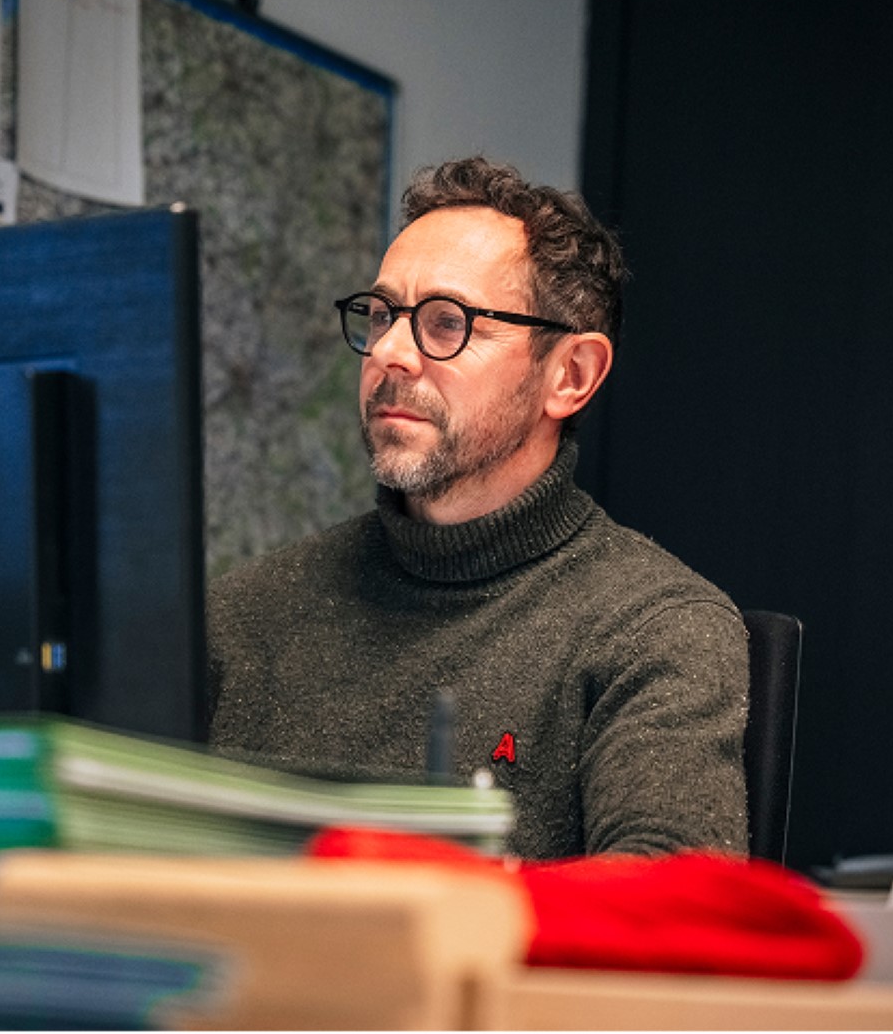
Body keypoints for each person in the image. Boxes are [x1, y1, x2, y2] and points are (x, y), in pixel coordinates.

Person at [207, 157, 749, 860]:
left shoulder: (658, 628)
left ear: (569, 375)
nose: (391, 353)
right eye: (380, 316)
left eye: (445, 322)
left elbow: (675, 908)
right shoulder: (243, 614)